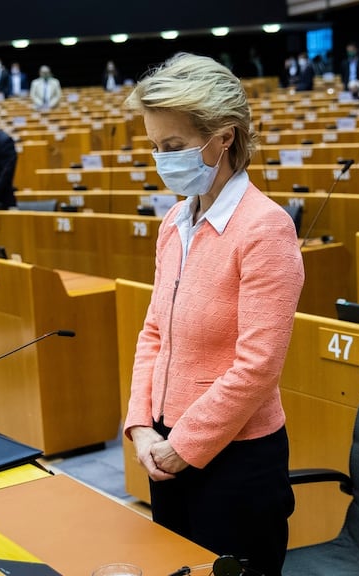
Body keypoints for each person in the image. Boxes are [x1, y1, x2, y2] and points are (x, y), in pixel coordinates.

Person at [123, 52, 304, 576]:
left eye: (174, 146)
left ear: (224, 137)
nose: (163, 159)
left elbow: (258, 366)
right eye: (156, 147)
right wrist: (141, 426)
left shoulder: (264, 229)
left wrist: (185, 444)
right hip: (167, 451)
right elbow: (154, 331)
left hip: (236, 464)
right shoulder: (175, 220)